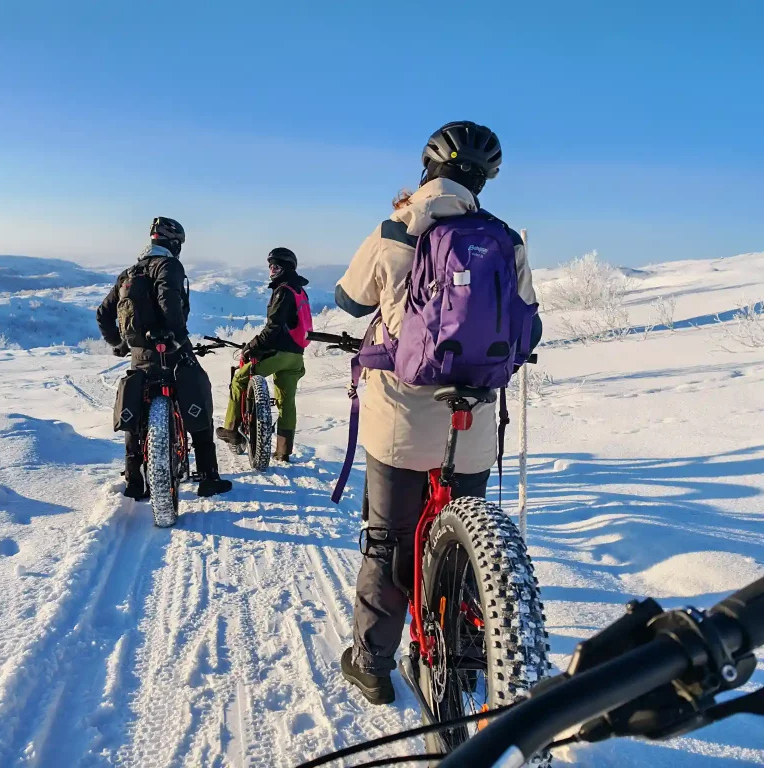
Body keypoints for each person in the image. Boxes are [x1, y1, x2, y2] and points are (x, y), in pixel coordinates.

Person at [333, 122, 543, 704]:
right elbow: (530, 324)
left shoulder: (397, 229)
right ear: (483, 179)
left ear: (427, 167)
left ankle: (372, 663)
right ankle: (471, 655)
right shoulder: (504, 239)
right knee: (466, 525)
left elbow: (349, 299)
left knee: (388, 539)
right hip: (471, 422)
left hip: (399, 418)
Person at [96, 216, 233, 500]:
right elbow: (168, 301)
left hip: (139, 356)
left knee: (135, 404)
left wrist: (120, 345)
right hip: (170, 349)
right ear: (173, 243)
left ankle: (135, 480)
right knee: (198, 390)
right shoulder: (168, 265)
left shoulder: (129, 273)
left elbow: (103, 313)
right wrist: (178, 337)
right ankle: (208, 477)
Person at [216, 247, 311, 461]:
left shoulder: (284, 291)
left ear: (286, 268)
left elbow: (273, 328)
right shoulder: (299, 291)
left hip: (279, 354)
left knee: (240, 379)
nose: (271, 270)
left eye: (275, 266)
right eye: (270, 266)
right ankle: (283, 451)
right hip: (297, 356)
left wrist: (252, 345)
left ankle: (231, 430)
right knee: (287, 402)